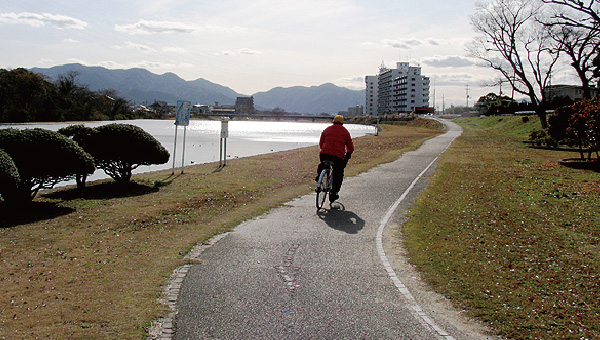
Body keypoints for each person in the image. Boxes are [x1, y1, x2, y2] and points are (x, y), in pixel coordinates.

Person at [316, 115, 354, 203]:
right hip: (337, 156)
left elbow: (321, 143)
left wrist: (324, 148)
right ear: (342, 123)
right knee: (339, 173)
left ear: (333, 121)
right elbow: (350, 147)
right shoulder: (345, 132)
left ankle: (319, 177)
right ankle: (334, 192)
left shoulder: (327, 129)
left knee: (323, 164)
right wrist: (348, 154)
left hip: (324, 154)